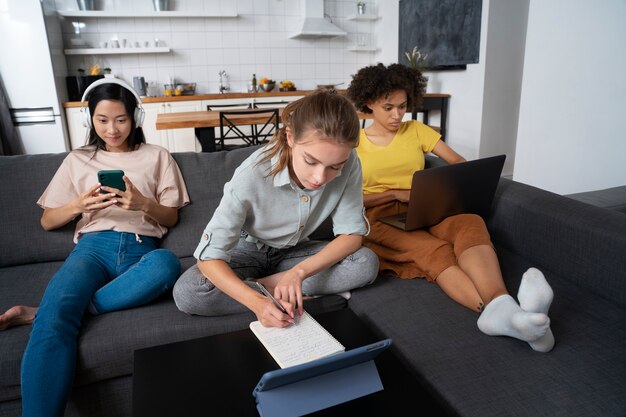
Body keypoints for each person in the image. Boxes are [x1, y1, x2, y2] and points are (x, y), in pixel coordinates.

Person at [0, 78, 190, 416]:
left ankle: (39, 310)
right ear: (91, 120)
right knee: (54, 321)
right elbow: (47, 221)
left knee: (167, 265)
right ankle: (48, 315)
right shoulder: (78, 159)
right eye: (102, 120)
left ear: (135, 118)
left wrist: (142, 204)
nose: (112, 129)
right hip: (92, 248)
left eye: (120, 119)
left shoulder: (158, 156)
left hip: (141, 251)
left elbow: (171, 216)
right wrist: (79, 205)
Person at [347, 63, 555, 352]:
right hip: (379, 215)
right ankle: (504, 314)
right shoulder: (352, 143)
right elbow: (344, 198)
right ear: (368, 103)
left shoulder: (416, 130)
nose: (397, 115)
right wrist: (394, 192)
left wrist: (442, 187)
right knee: (433, 250)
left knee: (470, 224)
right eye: (388, 107)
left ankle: (512, 313)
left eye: (403, 106)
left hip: (426, 204)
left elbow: (457, 163)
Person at [173, 90, 379, 328]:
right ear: (290, 138)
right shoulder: (250, 175)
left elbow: (352, 235)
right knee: (190, 292)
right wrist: (256, 303)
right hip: (247, 250)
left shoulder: (351, 162)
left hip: (295, 254)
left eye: (335, 167)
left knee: (365, 263)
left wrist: (298, 273)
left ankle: (272, 284)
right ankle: (275, 290)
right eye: (310, 161)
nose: (320, 177)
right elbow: (209, 259)